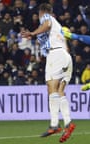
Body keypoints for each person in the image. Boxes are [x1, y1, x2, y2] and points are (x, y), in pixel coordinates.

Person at [21, 3, 75, 143]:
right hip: (66, 56)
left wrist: (32, 33)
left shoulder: (47, 17)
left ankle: (54, 124)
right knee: (59, 91)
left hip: (56, 54)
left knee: (51, 89)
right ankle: (68, 123)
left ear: (41, 12)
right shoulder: (59, 29)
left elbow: (47, 23)